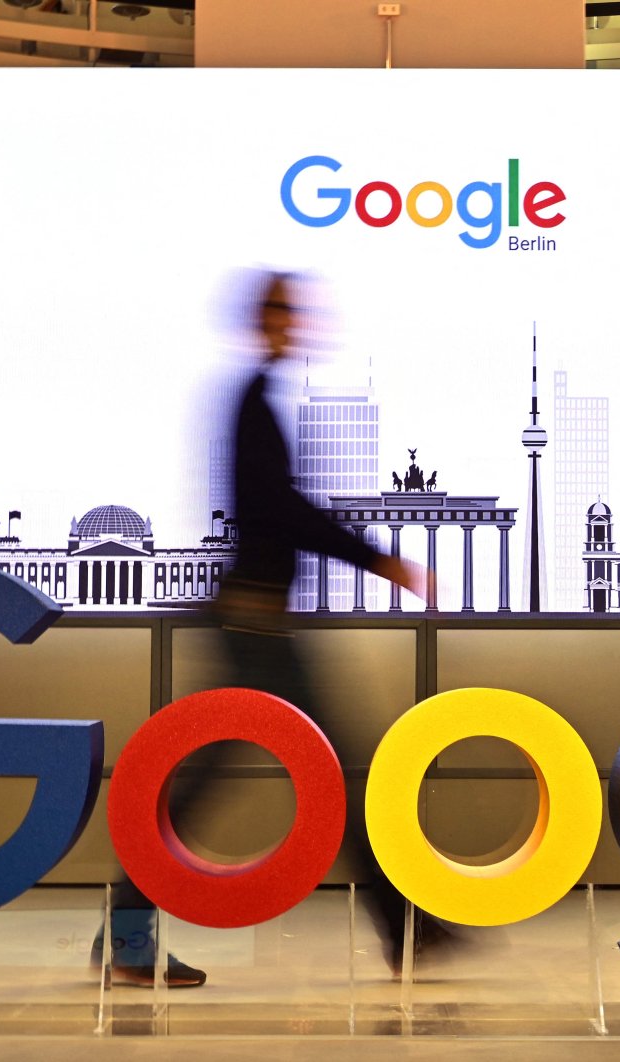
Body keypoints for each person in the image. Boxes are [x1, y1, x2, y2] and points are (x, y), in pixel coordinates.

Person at [98, 271, 430, 987]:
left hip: (258, 618)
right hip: (254, 622)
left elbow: (278, 510)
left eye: (295, 309)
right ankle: (409, 929)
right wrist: (374, 555)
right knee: (329, 774)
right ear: (261, 319)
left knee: (260, 775)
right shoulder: (251, 401)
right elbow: (278, 510)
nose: (294, 321)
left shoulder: (254, 401)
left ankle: (409, 929)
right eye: (282, 309)